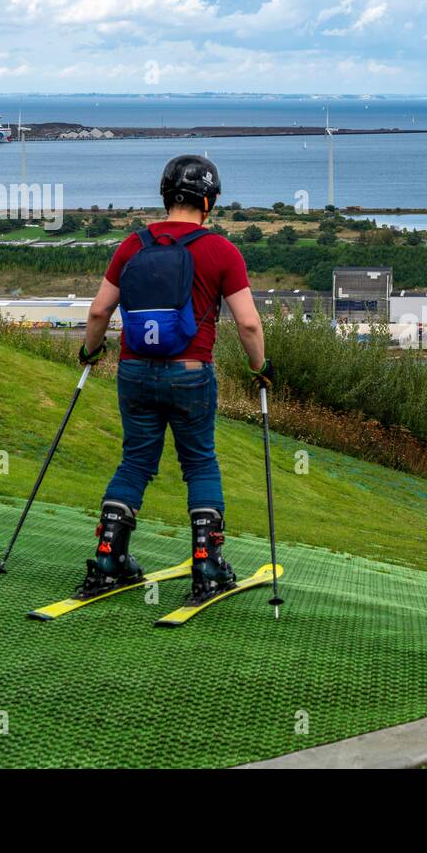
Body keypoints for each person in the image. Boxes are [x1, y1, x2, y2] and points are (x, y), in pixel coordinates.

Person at [76, 154, 273, 600]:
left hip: (134, 372)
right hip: (190, 374)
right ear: (210, 201)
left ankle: (108, 559)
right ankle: (207, 565)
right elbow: (248, 324)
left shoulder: (132, 246)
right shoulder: (221, 250)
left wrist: (90, 351)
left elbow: (98, 311)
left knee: (136, 462)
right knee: (200, 462)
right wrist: (260, 368)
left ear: (166, 196)